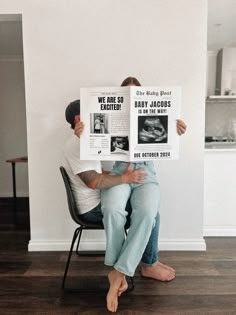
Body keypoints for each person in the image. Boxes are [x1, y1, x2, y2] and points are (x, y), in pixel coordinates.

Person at [69, 82, 186, 312]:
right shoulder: (112, 114)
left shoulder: (153, 114)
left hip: (145, 173)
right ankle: (119, 269)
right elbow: (93, 140)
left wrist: (177, 130)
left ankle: (118, 272)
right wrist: (81, 135)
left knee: (147, 214)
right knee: (111, 209)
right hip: (120, 171)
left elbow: (166, 138)